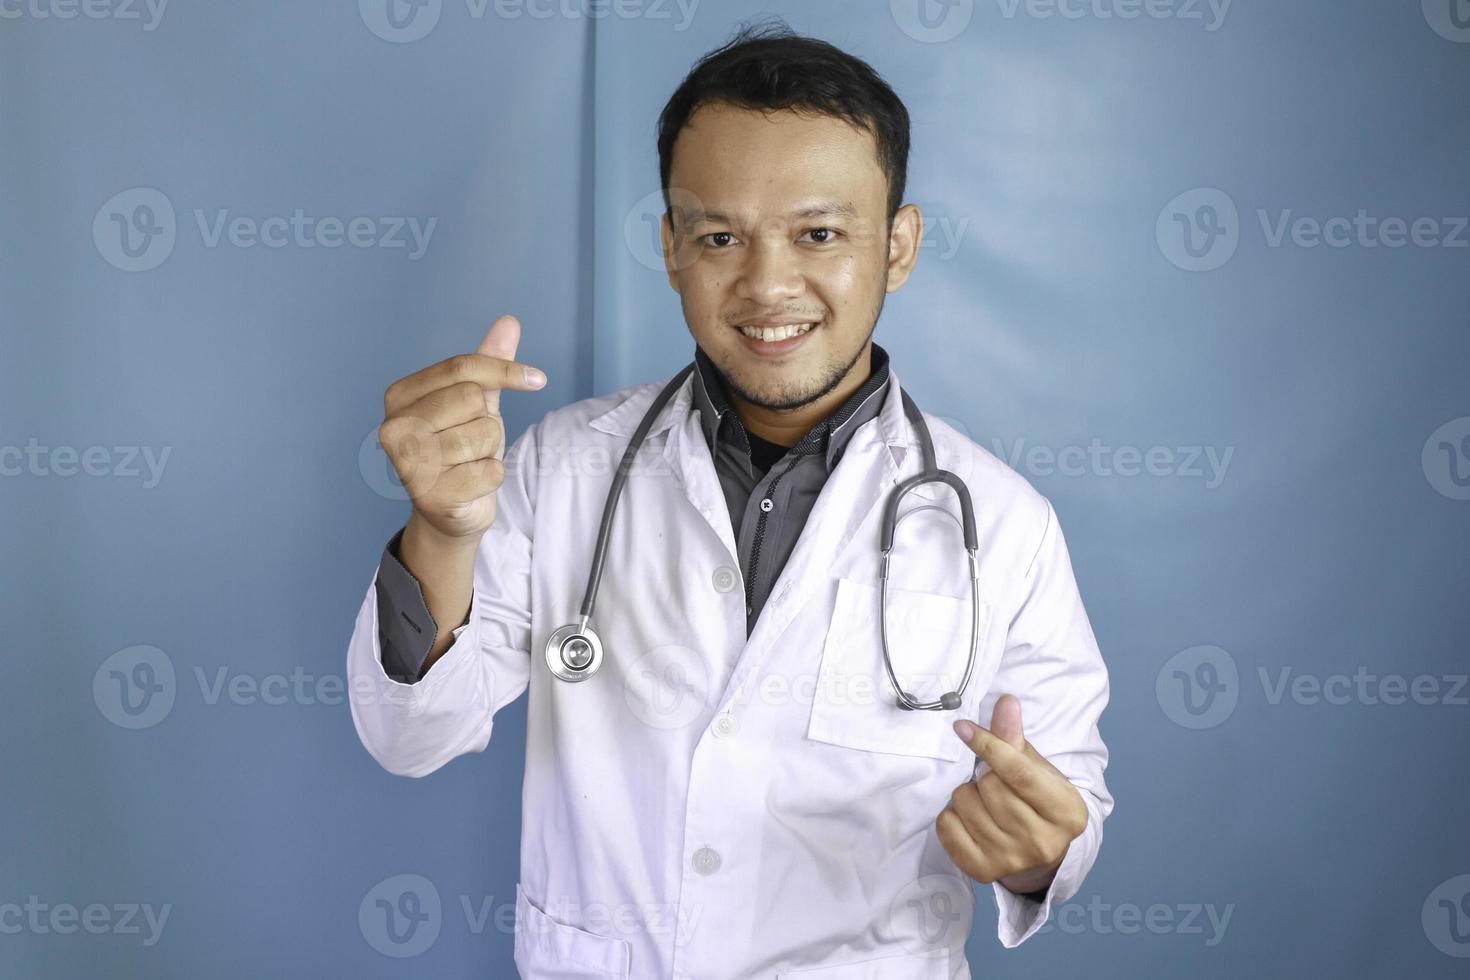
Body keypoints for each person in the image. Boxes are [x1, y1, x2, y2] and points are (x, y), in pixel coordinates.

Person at [347, 21, 1112, 979]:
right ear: (672, 248)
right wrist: (443, 530)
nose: (767, 284)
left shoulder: (1001, 524)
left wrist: (1041, 848)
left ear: (901, 245)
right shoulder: (560, 468)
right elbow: (410, 736)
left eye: (820, 233)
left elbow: (1065, 797)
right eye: (719, 237)